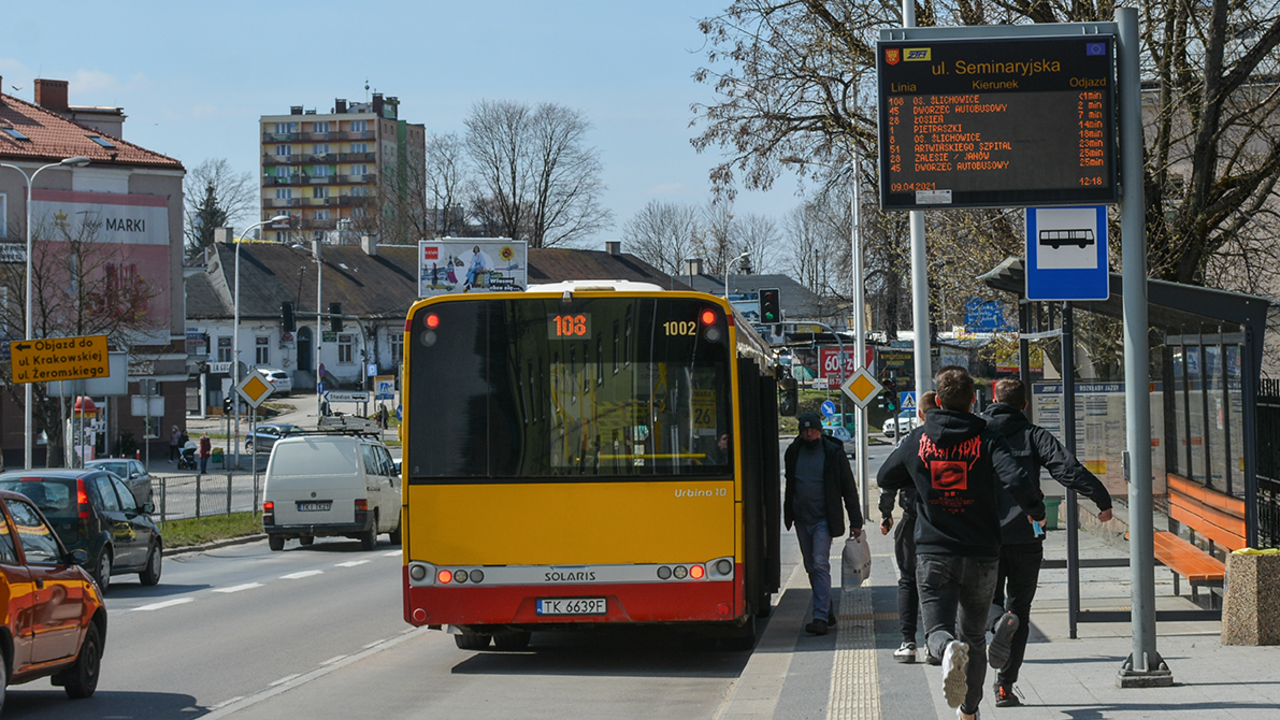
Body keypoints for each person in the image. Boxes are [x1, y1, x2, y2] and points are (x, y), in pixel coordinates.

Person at [876, 366, 1046, 719]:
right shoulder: (988, 439)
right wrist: (1037, 511)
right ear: (973, 400)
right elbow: (1016, 479)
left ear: (938, 401)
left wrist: (922, 480)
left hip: (935, 552)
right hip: (982, 554)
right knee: (976, 639)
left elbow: (885, 475)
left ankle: (947, 649)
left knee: (937, 631)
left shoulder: (919, 440)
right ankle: (970, 711)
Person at [981, 377, 1114, 707]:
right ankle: (1004, 686)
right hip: (1027, 534)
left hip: (986, 537)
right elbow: (1067, 469)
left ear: (993, 400)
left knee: (985, 601)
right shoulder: (1034, 435)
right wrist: (1101, 499)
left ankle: (997, 623)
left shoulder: (978, 434)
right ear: (1025, 405)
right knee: (1020, 610)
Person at [784, 412, 864, 636]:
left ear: (820, 431)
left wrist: (856, 521)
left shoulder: (833, 452)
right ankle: (827, 610)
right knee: (811, 566)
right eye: (805, 430)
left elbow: (848, 488)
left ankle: (819, 617)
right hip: (802, 518)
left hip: (823, 519)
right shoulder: (793, 452)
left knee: (820, 563)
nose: (809, 434)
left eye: (813, 430)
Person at [879, 390, 938, 664]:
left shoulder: (909, 441)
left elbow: (888, 479)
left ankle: (908, 642)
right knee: (940, 584)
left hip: (913, 520)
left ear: (919, 413)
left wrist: (886, 513)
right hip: (945, 521)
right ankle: (936, 643)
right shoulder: (955, 439)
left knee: (908, 580)